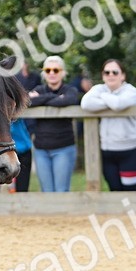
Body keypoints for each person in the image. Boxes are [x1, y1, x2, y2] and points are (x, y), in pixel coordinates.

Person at [80, 59, 136, 191]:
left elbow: (118, 104)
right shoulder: (99, 88)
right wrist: (110, 101)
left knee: (131, 193)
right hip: (107, 151)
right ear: (103, 76)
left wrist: (103, 97)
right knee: (114, 191)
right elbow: (86, 104)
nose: (111, 75)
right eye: (107, 72)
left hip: (130, 150)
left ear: (123, 75)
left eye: (115, 72)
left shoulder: (132, 92)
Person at [24, 56, 81, 193]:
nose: (52, 73)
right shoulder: (40, 88)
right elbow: (27, 101)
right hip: (41, 149)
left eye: (56, 70)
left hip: (63, 148)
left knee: (61, 191)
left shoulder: (69, 90)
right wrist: (54, 98)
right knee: (46, 191)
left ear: (62, 72)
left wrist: (40, 99)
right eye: (48, 70)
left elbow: (70, 100)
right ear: (44, 73)